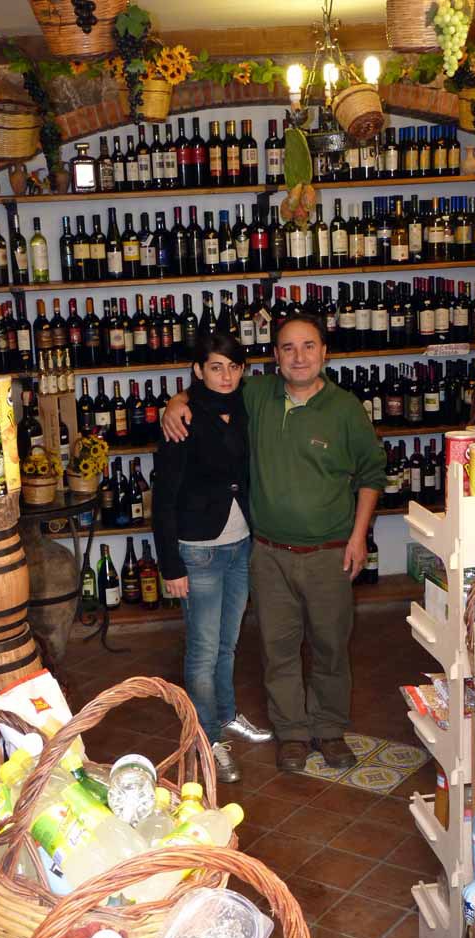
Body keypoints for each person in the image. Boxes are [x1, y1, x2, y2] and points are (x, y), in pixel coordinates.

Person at [163, 314, 386, 773]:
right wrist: (176, 401)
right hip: (266, 553)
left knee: (329, 647)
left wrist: (359, 535)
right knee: (278, 650)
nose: (299, 356)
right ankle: (292, 733)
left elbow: (371, 474)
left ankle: (328, 728)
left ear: (325, 352)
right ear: (275, 358)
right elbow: (208, 385)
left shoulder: (345, 409)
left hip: (329, 553)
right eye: (288, 348)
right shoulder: (258, 394)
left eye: (308, 346)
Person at [152, 332, 272, 784]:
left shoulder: (245, 407)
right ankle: (207, 737)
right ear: (198, 370)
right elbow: (163, 496)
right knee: (202, 652)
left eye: (234, 367)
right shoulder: (182, 419)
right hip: (197, 552)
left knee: (228, 643)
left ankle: (225, 715)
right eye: (216, 367)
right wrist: (171, 565)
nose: (226, 376)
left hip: (240, 543)